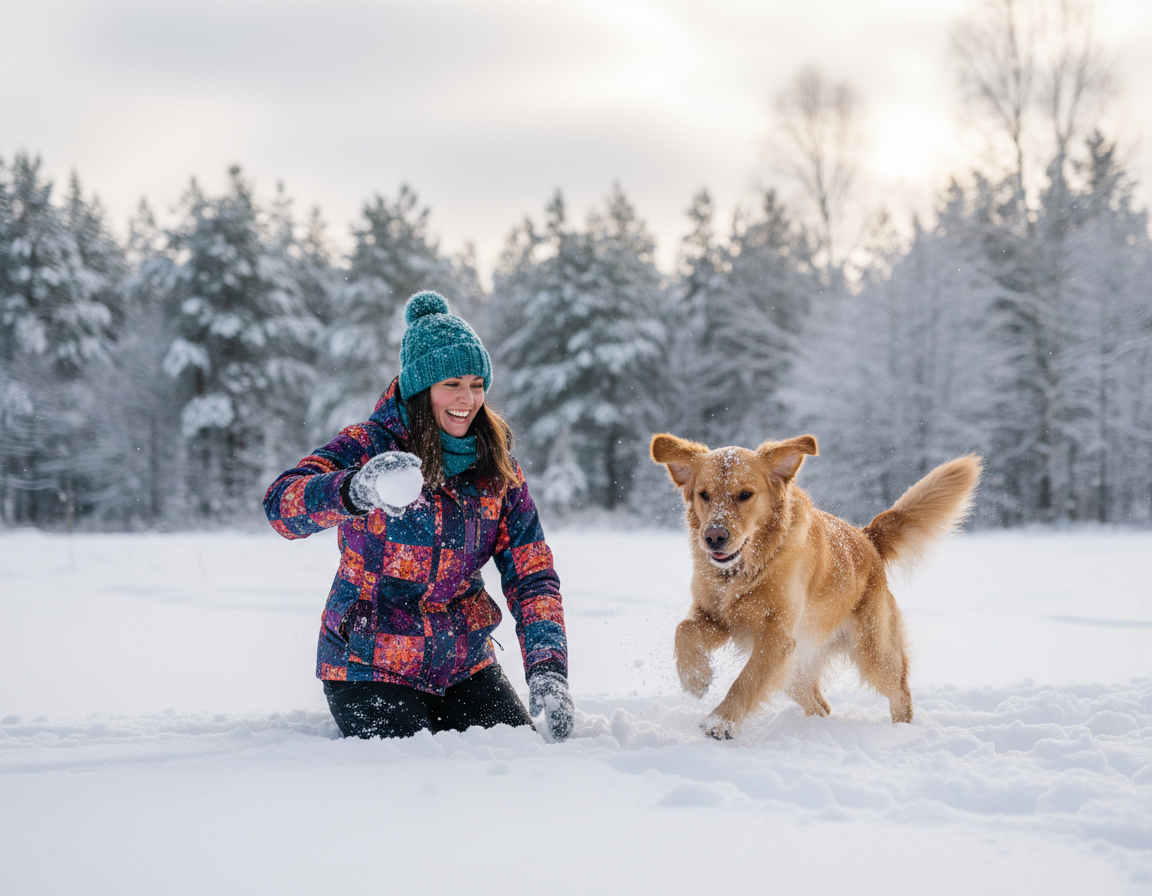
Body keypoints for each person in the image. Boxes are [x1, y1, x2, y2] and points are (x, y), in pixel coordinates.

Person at [263, 290, 574, 742]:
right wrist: (357, 488)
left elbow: (531, 573)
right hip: (368, 667)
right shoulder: (369, 444)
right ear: (420, 388)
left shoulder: (495, 463)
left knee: (516, 754)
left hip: (465, 665)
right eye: (451, 384)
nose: (467, 398)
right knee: (415, 767)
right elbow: (281, 506)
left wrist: (548, 670)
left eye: (476, 383)